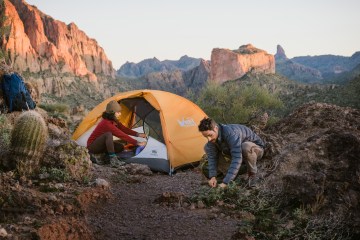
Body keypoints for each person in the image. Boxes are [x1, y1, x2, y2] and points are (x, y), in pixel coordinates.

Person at [198, 117, 265, 188]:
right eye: (206, 137)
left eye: (210, 135)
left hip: (256, 150)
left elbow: (237, 158)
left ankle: (252, 174)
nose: (209, 139)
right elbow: (212, 158)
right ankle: (233, 174)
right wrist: (213, 176)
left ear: (215, 128)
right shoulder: (212, 141)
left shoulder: (230, 133)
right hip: (239, 153)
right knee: (207, 147)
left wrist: (226, 182)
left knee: (245, 147)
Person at [87, 100, 147, 167]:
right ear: (112, 113)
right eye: (118, 112)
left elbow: (124, 129)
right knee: (108, 134)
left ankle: (102, 156)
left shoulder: (114, 121)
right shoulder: (106, 123)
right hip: (93, 146)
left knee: (120, 147)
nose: (120, 114)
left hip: (102, 145)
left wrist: (138, 134)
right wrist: (137, 143)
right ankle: (113, 160)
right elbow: (121, 135)